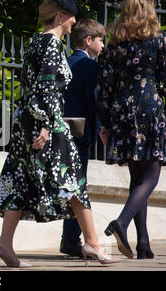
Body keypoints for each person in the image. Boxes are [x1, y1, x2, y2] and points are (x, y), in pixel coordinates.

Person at [0, 0, 119, 267]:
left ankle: (4, 244)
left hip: (26, 122)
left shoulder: (36, 42)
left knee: (20, 181)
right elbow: (47, 87)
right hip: (46, 124)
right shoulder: (52, 46)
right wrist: (46, 125)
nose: (73, 22)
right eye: (70, 16)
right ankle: (93, 243)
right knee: (73, 181)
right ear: (59, 16)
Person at [98, 0, 166, 260]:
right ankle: (121, 222)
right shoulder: (161, 40)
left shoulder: (115, 44)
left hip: (122, 109)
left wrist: (106, 121)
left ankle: (143, 243)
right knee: (152, 175)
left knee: (137, 178)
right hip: (150, 108)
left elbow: (106, 85)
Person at [60, 18, 105, 257]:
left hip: (63, 126)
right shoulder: (90, 67)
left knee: (68, 184)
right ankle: (70, 239)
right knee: (77, 184)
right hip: (80, 127)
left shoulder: (65, 62)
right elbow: (93, 103)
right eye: (100, 40)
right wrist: (98, 130)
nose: (103, 45)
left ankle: (70, 238)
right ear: (88, 41)